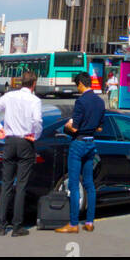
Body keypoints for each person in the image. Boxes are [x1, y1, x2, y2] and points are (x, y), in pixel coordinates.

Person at [0, 69, 43, 237]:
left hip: (9, 141)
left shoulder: (10, 96)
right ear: (34, 84)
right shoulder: (35, 100)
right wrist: (36, 135)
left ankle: (1, 225)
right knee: (21, 185)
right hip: (25, 141)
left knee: (6, 184)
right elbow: (37, 120)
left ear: (20, 82)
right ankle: (17, 226)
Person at [56, 71, 105, 234]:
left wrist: (67, 125)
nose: (77, 88)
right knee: (89, 184)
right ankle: (89, 222)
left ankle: (73, 223)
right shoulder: (100, 102)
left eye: (77, 85)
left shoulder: (81, 101)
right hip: (91, 143)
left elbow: (74, 127)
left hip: (78, 144)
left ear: (81, 84)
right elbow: (99, 127)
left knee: (74, 184)